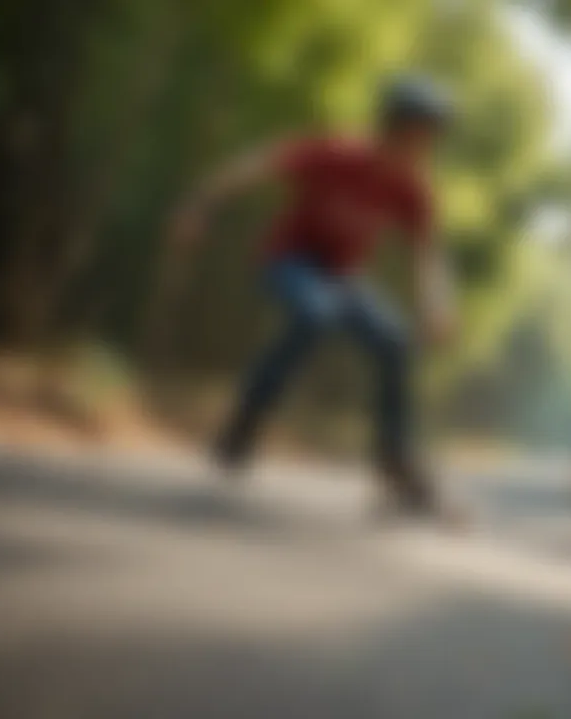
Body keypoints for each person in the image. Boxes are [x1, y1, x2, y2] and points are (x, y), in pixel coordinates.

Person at [168, 77, 460, 522]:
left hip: (343, 279)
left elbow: (427, 256)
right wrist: (199, 205)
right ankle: (246, 420)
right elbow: (256, 165)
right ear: (393, 127)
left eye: (432, 138)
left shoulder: (412, 189)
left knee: (395, 340)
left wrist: (436, 307)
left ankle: (393, 461)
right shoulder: (337, 153)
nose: (425, 147)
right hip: (289, 261)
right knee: (315, 313)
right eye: (420, 134)